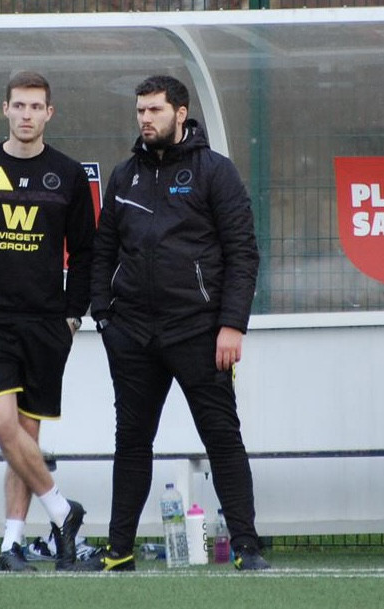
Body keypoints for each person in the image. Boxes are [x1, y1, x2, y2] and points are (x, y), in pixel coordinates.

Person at [79, 75, 269, 572]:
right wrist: (104, 316)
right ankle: (119, 551)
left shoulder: (215, 172)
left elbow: (242, 253)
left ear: (180, 114)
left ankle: (248, 548)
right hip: (133, 334)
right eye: (140, 110)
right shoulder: (125, 176)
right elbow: (103, 251)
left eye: (156, 110)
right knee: (132, 440)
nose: (145, 119)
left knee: (222, 437)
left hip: (200, 332)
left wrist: (232, 325)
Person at [0, 71, 96, 572]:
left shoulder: (69, 175)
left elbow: (88, 254)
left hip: (47, 324)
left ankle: (11, 544)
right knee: (1, 422)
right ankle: (61, 510)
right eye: (19, 106)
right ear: (4, 109)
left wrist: (73, 316)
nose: (27, 115)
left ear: (50, 113)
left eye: (36, 107)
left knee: (24, 438)